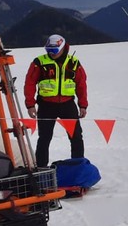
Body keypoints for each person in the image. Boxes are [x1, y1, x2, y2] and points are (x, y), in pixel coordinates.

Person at [24, 34, 88, 168]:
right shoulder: (39, 63)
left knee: (76, 137)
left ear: (63, 47)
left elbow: (81, 84)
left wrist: (83, 105)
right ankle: (41, 169)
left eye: (54, 51)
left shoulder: (74, 63)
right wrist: (30, 105)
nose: (51, 54)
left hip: (68, 105)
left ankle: (78, 166)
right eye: (49, 51)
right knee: (44, 138)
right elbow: (30, 83)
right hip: (46, 106)